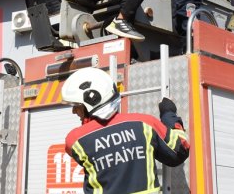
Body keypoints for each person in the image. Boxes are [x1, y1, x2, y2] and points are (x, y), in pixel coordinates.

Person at [61, 67, 190, 194]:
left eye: (77, 106)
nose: (74, 111)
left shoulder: (76, 140)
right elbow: (180, 151)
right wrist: (169, 114)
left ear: (92, 101)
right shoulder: (145, 124)